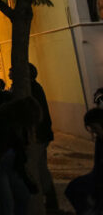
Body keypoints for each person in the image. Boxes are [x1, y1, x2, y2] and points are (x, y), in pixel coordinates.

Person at [29, 63, 58, 210]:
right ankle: (50, 201)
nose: (9, 73)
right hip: (41, 134)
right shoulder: (35, 87)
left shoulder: (32, 89)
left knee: (38, 168)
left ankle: (45, 200)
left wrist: (36, 133)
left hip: (38, 135)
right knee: (41, 168)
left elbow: (38, 114)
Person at [64, 107, 103, 214]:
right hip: (98, 175)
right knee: (73, 188)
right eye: (92, 129)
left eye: (95, 128)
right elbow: (97, 165)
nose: (94, 132)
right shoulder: (99, 141)